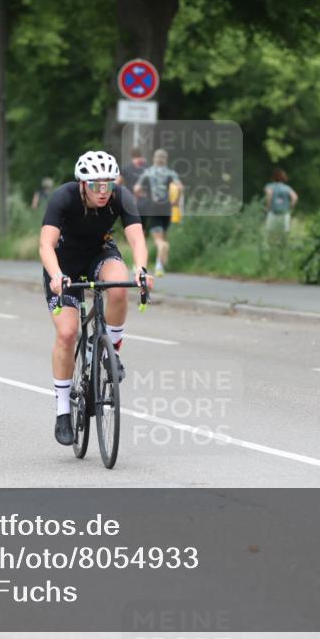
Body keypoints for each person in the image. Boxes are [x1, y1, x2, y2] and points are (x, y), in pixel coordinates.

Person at [40, 150, 153, 446]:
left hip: (99, 254)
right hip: (63, 265)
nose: (103, 191)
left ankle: (109, 351)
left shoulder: (121, 196)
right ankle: (63, 410)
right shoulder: (63, 198)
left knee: (118, 287)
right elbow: (45, 245)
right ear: (82, 184)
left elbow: (137, 239)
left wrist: (141, 270)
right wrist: (55, 275)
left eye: (108, 184)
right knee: (67, 333)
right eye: (95, 185)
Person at [135, 148, 183, 276]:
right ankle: (160, 265)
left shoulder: (148, 172)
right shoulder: (170, 173)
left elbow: (137, 188)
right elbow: (180, 187)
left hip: (153, 207)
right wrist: (176, 202)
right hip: (167, 207)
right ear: (165, 160)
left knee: (158, 240)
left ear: (154, 159)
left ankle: (159, 265)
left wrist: (142, 196)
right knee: (163, 235)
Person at [263, 168, 298, 233]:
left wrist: (268, 208)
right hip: (284, 213)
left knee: (270, 232)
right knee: (283, 233)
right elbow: (295, 197)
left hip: (273, 212)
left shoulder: (269, 186)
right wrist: (290, 207)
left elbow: (269, 196)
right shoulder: (287, 188)